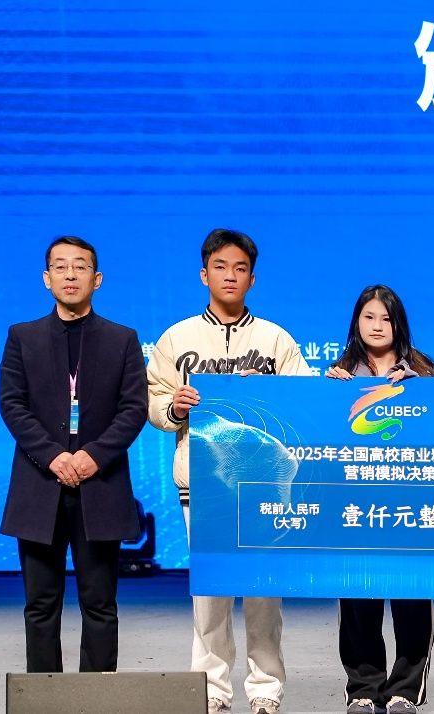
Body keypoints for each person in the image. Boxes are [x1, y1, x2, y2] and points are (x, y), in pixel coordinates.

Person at [146, 229, 312, 714]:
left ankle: (265, 690)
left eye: (240, 268)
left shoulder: (275, 338)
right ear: (204, 274)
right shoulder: (177, 337)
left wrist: (270, 392)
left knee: (264, 591)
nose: (230, 276)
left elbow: (302, 400)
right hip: (203, 483)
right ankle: (213, 691)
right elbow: (153, 402)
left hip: (264, 484)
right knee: (211, 594)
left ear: (252, 278)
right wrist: (175, 407)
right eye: (220, 267)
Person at [0, 236, 148, 673]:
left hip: (99, 485)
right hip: (39, 484)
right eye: (60, 267)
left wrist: (92, 456)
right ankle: (44, 697)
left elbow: (134, 408)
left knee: (99, 604)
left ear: (96, 279)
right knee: (40, 605)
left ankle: (96, 697)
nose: (70, 275)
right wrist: (53, 456)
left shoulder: (122, 339)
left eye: (80, 267)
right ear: (46, 279)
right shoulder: (22, 337)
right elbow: (12, 404)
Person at [326, 285, 434, 714]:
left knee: (413, 598)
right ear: (356, 322)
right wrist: (327, 394)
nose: (377, 326)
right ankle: (363, 688)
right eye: (369, 317)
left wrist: (421, 392)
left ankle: (405, 690)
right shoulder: (338, 375)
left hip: (412, 504)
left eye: (386, 318)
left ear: (399, 324)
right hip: (356, 505)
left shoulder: (426, 372)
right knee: (357, 600)